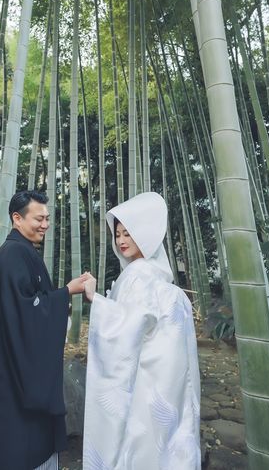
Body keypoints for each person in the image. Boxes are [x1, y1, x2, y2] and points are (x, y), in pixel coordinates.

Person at [0, 190, 91, 470]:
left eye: (47, 218)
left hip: (8, 358)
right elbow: (26, 311)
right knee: (16, 436)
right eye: (39, 219)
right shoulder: (14, 254)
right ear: (17, 218)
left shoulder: (19, 251)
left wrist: (62, 294)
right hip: (12, 367)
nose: (45, 224)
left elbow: (28, 305)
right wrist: (67, 292)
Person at [82, 191, 201, 469]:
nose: (121, 240)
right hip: (167, 382)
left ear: (144, 234)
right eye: (117, 234)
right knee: (166, 442)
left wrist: (95, 299)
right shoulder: (157, 275)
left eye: (128, 233)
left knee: (139, 442)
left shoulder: (138, 276)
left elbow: (127, 327)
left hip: (146, 380)